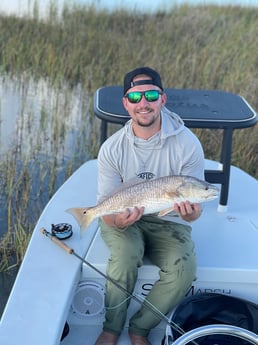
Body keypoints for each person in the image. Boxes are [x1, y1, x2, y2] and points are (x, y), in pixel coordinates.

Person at [94, 67, 205, 345]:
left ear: (162, 100)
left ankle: (140, 328)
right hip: (121, 216)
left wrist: (191, 214)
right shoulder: (112, 148)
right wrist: (118, 221)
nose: (143, 103)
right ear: (125, 103)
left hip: (167, 220)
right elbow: (106, 211)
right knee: (126, 255)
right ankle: (111, 328)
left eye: (151, 95)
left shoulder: (188, 144)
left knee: (184, 269)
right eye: (135, 98)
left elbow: (196, 209)